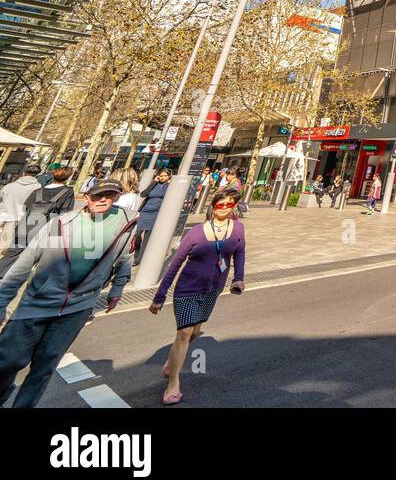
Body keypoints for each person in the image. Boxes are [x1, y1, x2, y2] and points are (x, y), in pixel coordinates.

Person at [0, 173, 136, 408]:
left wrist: (118, 287)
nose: (103, 200)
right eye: (98, 195)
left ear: (117, 198)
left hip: (77, 308)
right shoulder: (61, 224)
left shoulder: (125, 222)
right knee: (8, 361)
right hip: (37, 304)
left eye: (109, 195)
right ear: (86, 197)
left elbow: (125, 258)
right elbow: (24, 264)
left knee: (44, 367)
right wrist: (2, 301)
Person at [149, 188, 246, 405]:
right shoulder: (196, 232)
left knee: (194, 331)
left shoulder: (238, 229)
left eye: (229, 204)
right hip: (187, 289)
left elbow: (240, 253)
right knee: (184, 332)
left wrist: (238, 278)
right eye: (221, 204)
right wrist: (160, 296)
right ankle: (173, 383)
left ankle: (172, 361)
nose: (224, 208)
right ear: (213, 206)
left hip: (213, 289)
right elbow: (175, 265)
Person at [0, 164, 43, 261]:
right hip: (22, 218)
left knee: (3, 245)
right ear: (37, 175)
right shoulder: (38, 187)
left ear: (24, 173)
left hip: (5, 217)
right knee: (10, 248)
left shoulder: (9, 186)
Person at [133, 168, 172, 266]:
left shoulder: (169, 186)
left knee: (147, 237)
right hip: (144, 212)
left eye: (165, 176)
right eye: (161, 175)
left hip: (156, 214)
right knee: (136, 234)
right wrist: (154, 182)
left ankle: (139, 259)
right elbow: (143, 194)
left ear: (169, 177)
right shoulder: (154, 184)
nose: (162, 177)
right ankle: (136, 253)